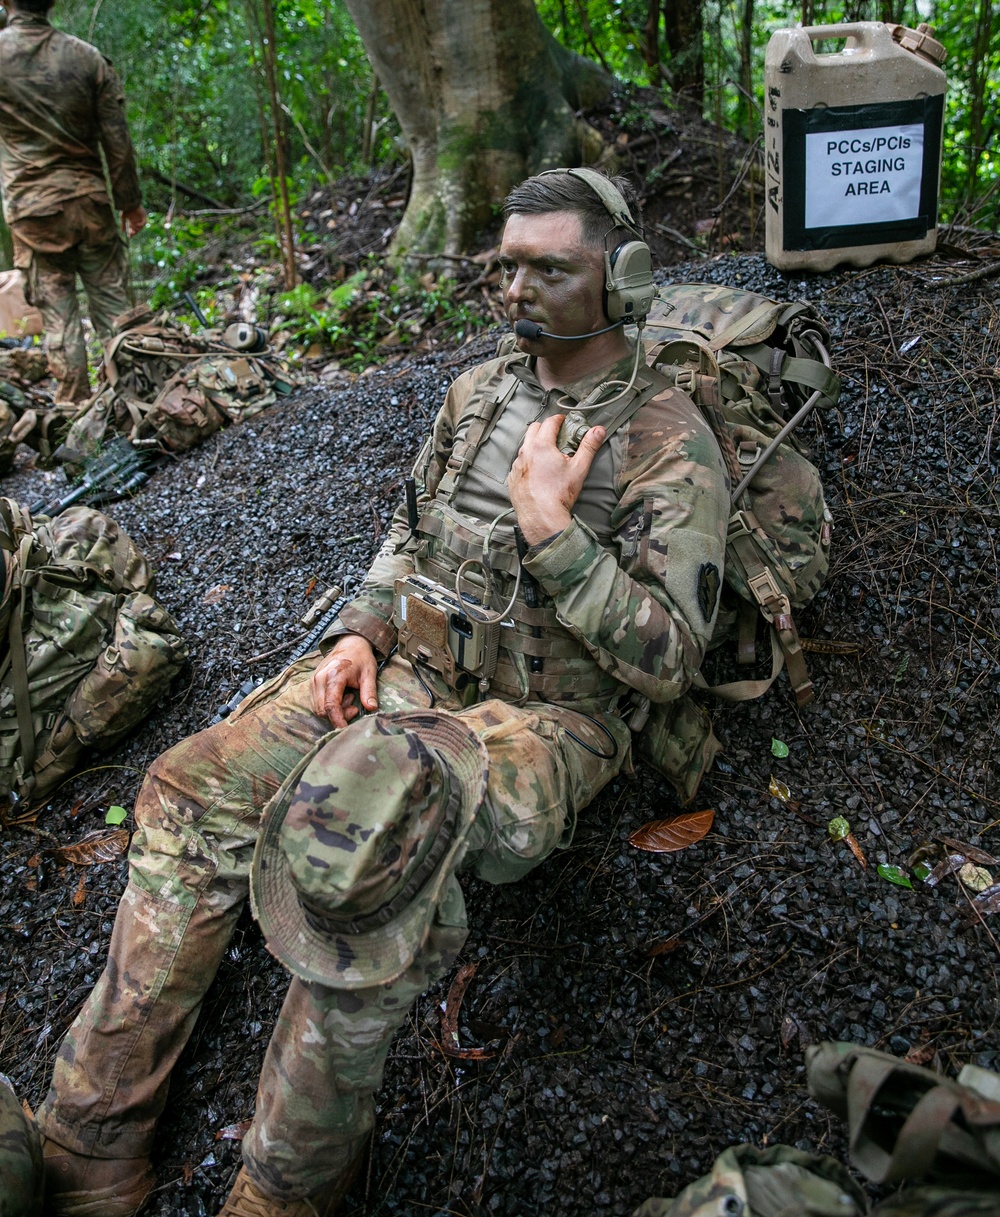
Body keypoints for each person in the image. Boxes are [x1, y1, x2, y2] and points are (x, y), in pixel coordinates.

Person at [36, 168, 730, 1217]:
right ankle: (92, 1134)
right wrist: (361, 627)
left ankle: (288, 1183)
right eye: (509, 267)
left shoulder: (666, 437)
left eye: (554, 267)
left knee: (360, 860)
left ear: (622, 277)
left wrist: (556, 539)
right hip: (404, 672)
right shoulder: (479, 392)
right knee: (188, 785)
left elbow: (669, 656)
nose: (520, 289)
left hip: (542, 723)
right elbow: (407, 532)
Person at [0, 0, 146, 404]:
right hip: (91, 204)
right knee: (117, 313)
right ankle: (139, 408)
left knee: (59, 321)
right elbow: (117, 142)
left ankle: (75, 421)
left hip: (33, 213)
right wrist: (130, 203)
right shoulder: (88, 58)